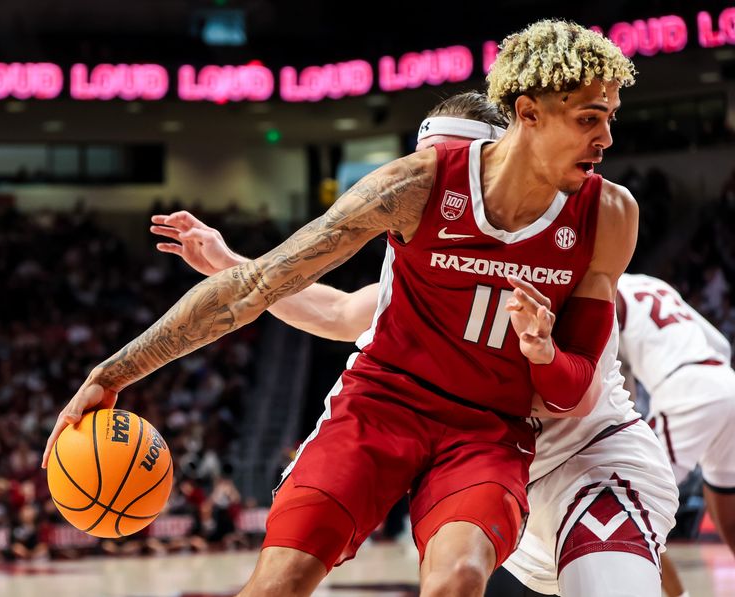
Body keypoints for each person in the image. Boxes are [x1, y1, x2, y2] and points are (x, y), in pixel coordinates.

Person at [45, 20, 640, 596]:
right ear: (527, 114)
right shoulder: (415, 188)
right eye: (591, 119)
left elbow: (571, 389)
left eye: (608, 118)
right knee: (280, 581)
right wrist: (111, 373)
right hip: (382, 403)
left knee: (459, 579)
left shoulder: (608, 215)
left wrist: (542, 350)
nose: (607, 139)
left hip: (489, 429)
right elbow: (266, 288)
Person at [151, 92, 679, 597]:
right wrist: (233, 266)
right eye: (422, 161)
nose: (424, 182)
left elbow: (570, 392)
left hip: (577, 453)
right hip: (510, 467)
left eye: (444, 161)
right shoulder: (428, 241)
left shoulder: (574, 235)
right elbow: (341, 312)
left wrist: (539, 354)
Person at [617, 272, 735, 597]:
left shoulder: (605, 287)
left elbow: (612, 372)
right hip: (725, 380)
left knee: (629, 503)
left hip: (683, 389)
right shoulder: (653, 284)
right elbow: (721, 343)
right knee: (726, 503)